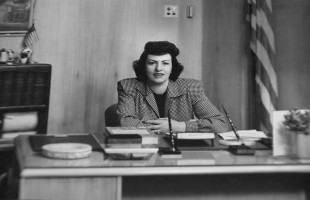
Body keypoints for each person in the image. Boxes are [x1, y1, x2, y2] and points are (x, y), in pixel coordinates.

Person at [116, 41, 229, 134]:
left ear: (172, 67)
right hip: (144, 148)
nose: (158, 68)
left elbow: (220, 124)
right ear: (143, 66)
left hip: (183, 151)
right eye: (152, 63)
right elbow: (125, 123)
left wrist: (180, 127)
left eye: (165, 63)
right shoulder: (128, 87)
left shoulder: (191, 88)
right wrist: (163, 127)